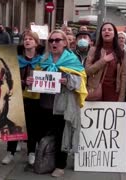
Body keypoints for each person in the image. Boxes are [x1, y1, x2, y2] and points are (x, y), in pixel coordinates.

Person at [29, 29, 87, 177]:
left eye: (57, 40)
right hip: (44, 104)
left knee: (62, 134)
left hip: (62, 104)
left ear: (65, 43)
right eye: (51, 40)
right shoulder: (43, 59)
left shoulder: (72, 59)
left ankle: (60, 165)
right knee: (44, 134)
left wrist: (68, 80)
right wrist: (31, 81)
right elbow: (35, 78)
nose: (54, 43)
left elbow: (81, 81)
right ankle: (45, 161)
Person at [1, 30, 44, 165]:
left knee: (33, 125)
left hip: (35, 98)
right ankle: (10, 152)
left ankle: (31, 152)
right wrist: (22, 82)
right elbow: (7, 76)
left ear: (36, 43)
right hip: (17, 96)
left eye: (31, 39)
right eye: (25, 39)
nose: (27, 41)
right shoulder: (16, 59)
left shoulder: (43, 60)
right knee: (14, 124)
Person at [85, 22, 126, 102]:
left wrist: (121, 98)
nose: (106, 31)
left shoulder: (121, 53)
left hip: (113, 93)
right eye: (104, 30)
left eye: (109, 30)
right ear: (101, 34)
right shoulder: (93, 50)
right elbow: (87, 71)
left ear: (114, 34)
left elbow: (123, 76)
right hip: (94, 92)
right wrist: (103, 61)